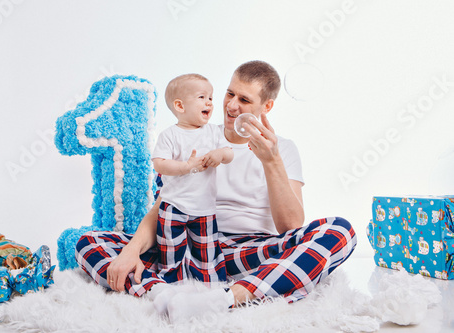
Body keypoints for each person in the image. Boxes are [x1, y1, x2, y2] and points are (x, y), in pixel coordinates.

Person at [75, 61, 357, 321]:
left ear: (267, 106)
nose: (231, 106)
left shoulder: (282, 149)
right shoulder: (196, 133)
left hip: (248, 251)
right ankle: (160, 294)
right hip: (187, 245)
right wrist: (131, 251)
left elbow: (290, 226)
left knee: (340, 232)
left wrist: (271, 161)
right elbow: (165, 204)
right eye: (229, 93)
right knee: (88, 242)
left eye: (244, 100)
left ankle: (226, 299)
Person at [151, 73, 233, 285]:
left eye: (211, 98)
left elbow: (230, 152)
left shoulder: (213, 132)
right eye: (202, 97)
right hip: (174, 205)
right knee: (170, 249)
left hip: (204, 207)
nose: (209, 102)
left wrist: (220, 155)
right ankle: (171, 281)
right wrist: (186, 167)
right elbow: (159, 163)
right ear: (180, 106)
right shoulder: (170, 135)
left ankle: (211, 285)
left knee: (207, 251)